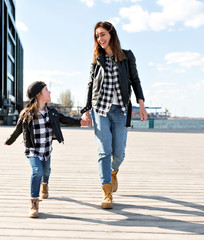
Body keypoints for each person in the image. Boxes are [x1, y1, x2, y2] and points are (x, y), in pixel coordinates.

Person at [81, 21, 148, 209]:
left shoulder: (127, 56)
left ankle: (113, 171)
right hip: (99, 109)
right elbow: (90, 84)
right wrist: (86, 109)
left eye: (102, 34)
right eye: (97, 36)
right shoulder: (97, 58)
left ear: (111, 34)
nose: (100, 39)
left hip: (120, 110)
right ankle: (107, 192)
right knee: (104, 151)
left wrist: (141, 105)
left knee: (119, 153)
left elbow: (135, 80)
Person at [5, 81, 87, 218]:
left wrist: (80, 122)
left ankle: (45, 183)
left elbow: (65, 119)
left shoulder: (52, 113)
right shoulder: (27, 113)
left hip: (47, 150)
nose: (50, 92)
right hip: (33, 150)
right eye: (46, 90)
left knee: (46, 171)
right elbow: (17, 130)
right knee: (37, 171)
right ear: (38, 94)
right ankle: (34, 203)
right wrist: (9, 141)